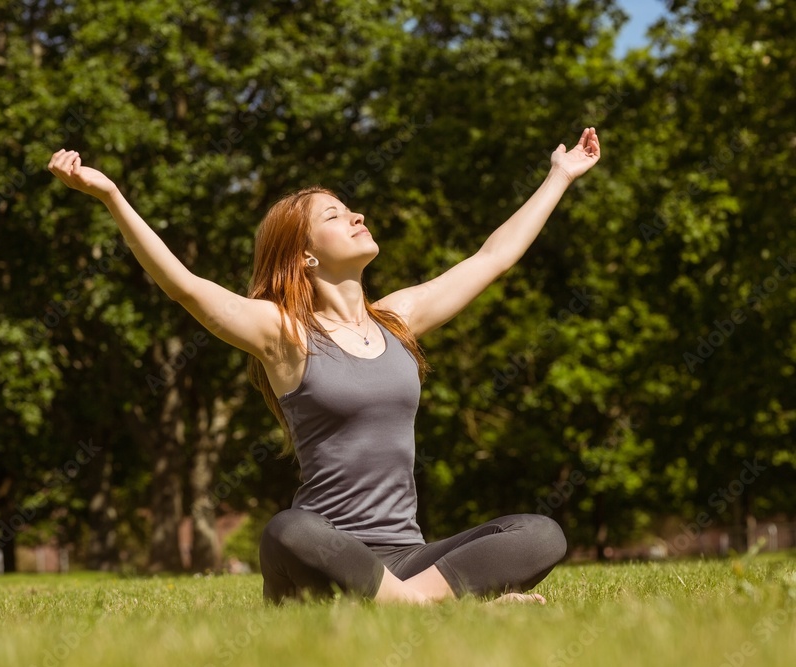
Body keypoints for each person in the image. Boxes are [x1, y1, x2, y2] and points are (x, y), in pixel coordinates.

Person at [47, 126, 601, 606]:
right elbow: (187, 288)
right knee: (288, 530)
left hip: (406, 557)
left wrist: (559, 176)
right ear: (306, 256)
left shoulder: (398, 320)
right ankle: (440, 603)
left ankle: (406, 604)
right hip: (327, 556)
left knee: (539, 533)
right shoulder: (285, 334)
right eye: (335, 215)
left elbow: (492, 257)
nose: (358, 214)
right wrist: (111, 195)